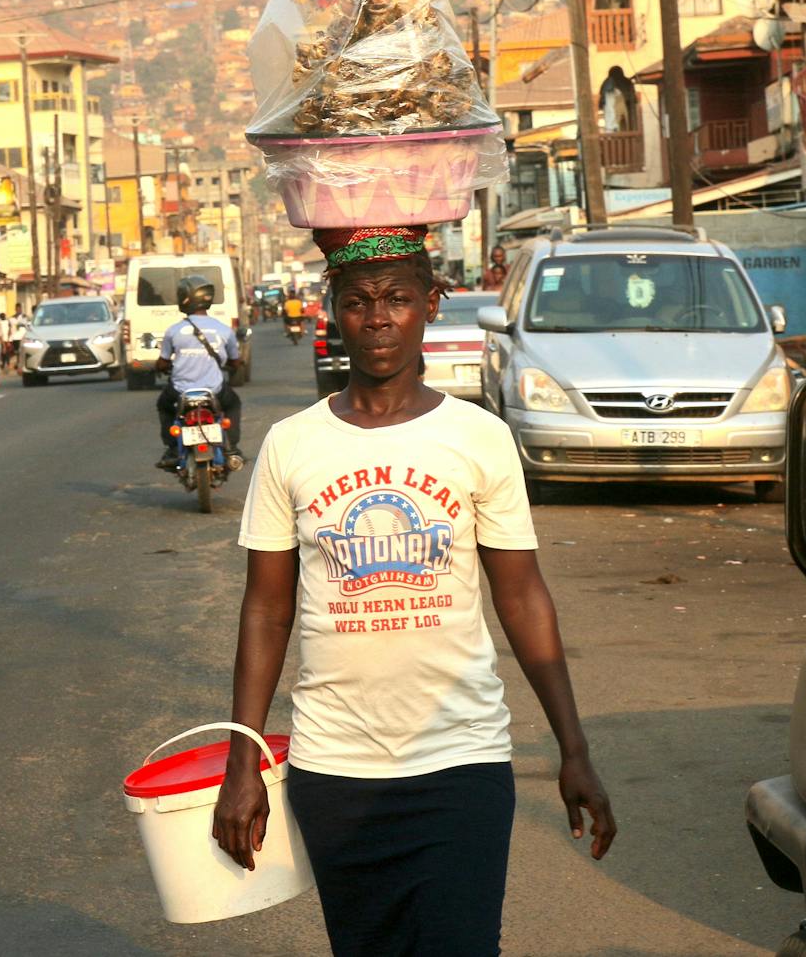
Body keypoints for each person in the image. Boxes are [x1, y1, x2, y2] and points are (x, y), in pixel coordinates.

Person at [212, 225, 614, 957]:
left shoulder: (479, 436)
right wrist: (243, 762)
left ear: (431, 303)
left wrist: (573, 747)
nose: (378, 317)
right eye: (359, 300)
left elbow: (522, 597)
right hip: (336, 769)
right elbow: (267, 610)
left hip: (460, 760)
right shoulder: (292, 444)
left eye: (398, 298)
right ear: (333, 310)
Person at [155, 274, 243, 471]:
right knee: (233, 404)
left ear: (185, 298)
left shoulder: (174, 331)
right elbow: (235, 360)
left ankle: (171, 449)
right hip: (214, 391)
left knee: (164, 405)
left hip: (180, 391)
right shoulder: (224, 330)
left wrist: (161, 367)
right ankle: (232, 449)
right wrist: (235, 364)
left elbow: (163, 362)